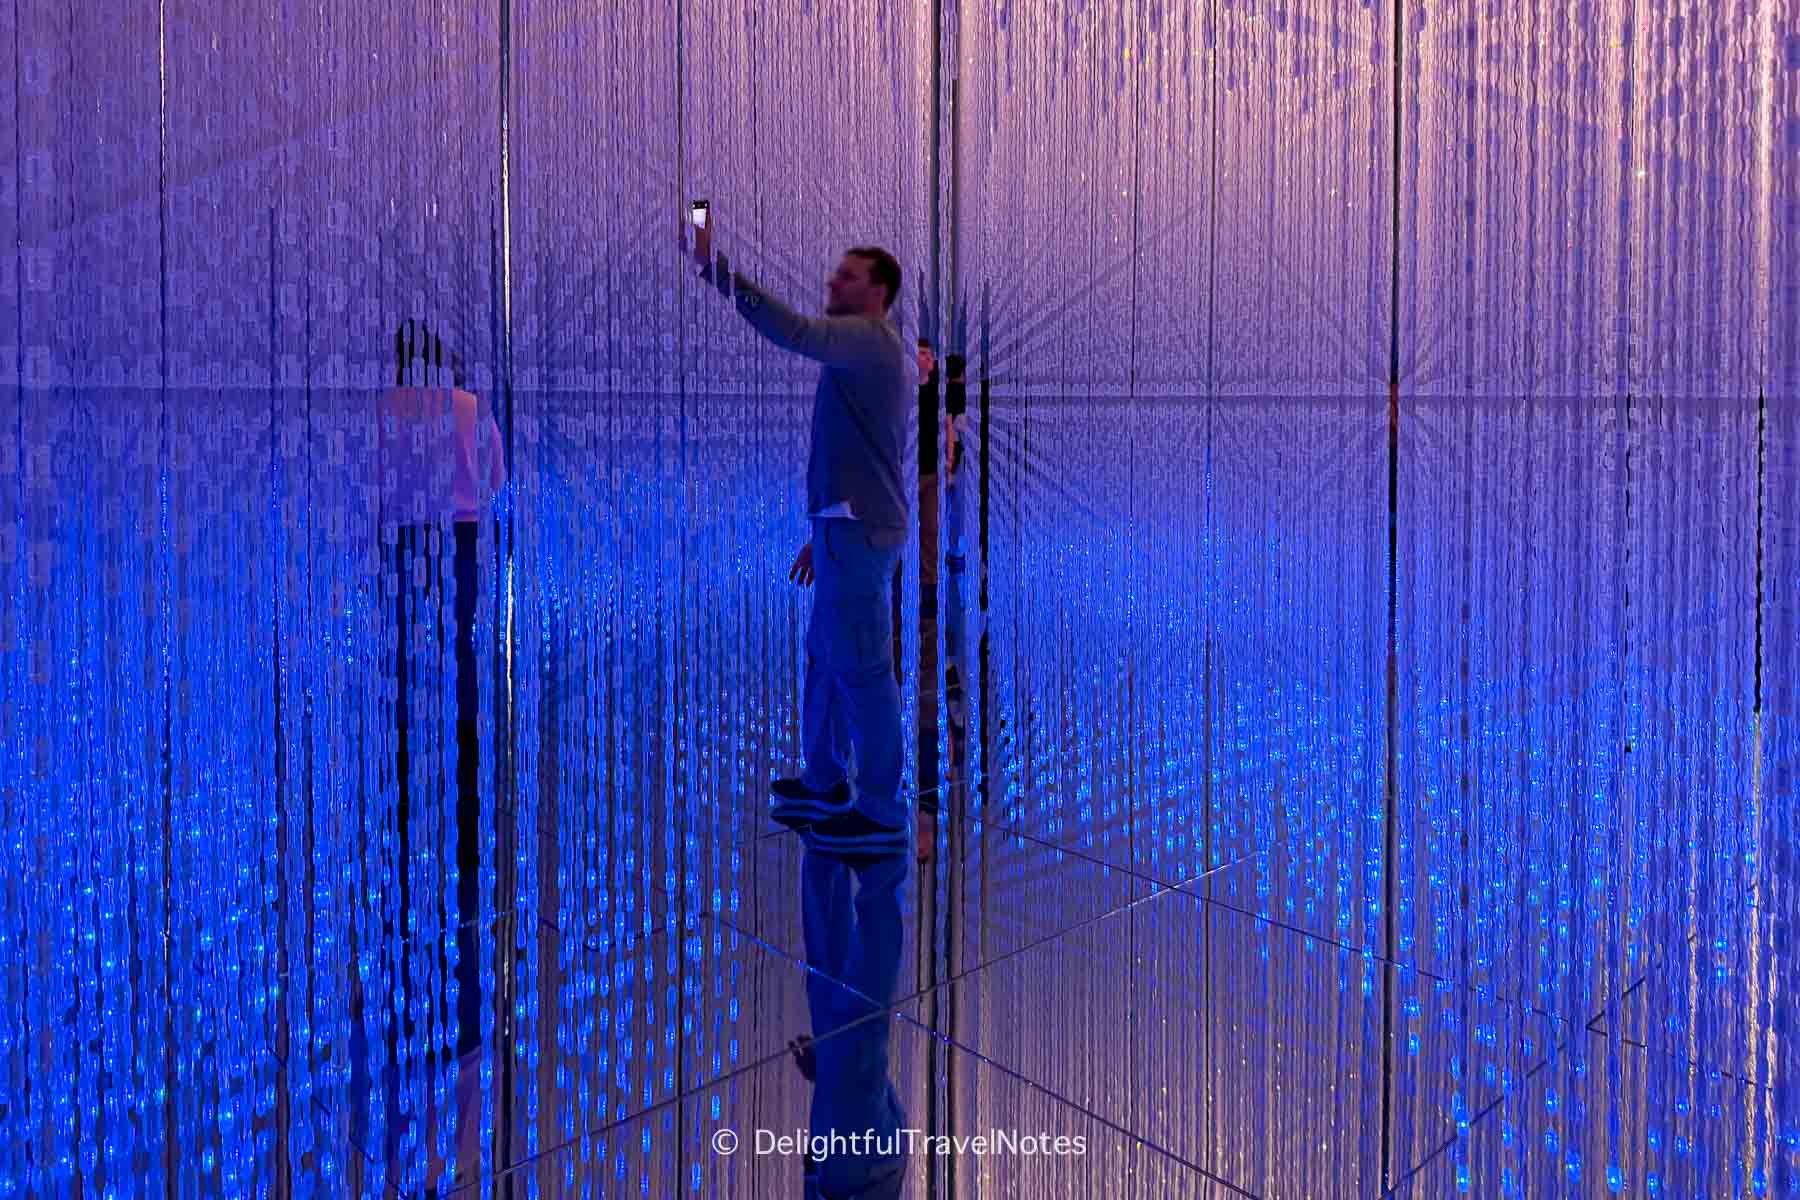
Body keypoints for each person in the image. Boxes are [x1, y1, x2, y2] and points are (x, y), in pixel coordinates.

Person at [687, 213, 912, 1199]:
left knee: (860, 670)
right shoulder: (872, 348)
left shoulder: (864, 342)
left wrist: (716, 271)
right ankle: (830, 786)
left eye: (847, 273)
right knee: (833, 663)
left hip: (859, 529)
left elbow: (788, 332)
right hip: (848, 527)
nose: (831, 280)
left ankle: (882, 805)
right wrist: (826, 530)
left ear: (878, 293)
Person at [374, 319, 506, 1186]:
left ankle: (405, 756)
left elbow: (367, 484)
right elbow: (493, 482)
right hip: (456, 540)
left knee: (405, 656)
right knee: (456, 654)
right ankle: (455, 760)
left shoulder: (384, 408)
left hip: (402, 544)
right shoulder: (469, 406)